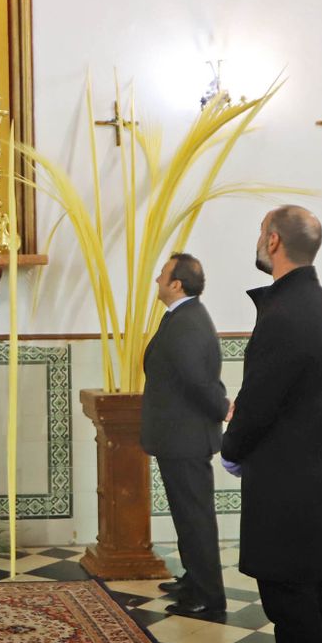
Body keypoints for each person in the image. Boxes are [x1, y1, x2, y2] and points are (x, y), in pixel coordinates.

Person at [221, 206, 322, 643]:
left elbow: (260, 402)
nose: (259, 240)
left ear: (274, 241)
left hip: (289, 490)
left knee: (292, 608)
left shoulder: (283, 315)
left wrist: (231, 446)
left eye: (261, 232)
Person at [140, 253, 229, 617]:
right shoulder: (183, 316)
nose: (157, 280)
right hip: (179, 436)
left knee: (195, 518)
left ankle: (207, 596)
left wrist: (223, 408)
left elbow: (197, 380)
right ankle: (194, 580)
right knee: (187, 516)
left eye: (162, 274)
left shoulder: (187, 321)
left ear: (176, 284)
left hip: (186, 437)